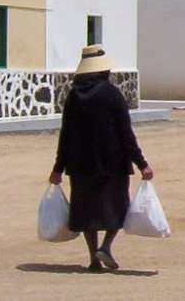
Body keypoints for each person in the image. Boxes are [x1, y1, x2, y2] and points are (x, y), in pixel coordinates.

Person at [48, 44, 153, 272]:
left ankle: (93, 259)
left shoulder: (74, 96)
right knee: (117, 209)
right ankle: (105, 246)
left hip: (80, 164)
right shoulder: (112, 94)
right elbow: (126, 134)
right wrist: (141, 163)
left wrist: (58, 168)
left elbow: (65, 134)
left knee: (86, 212)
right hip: (112, 163)